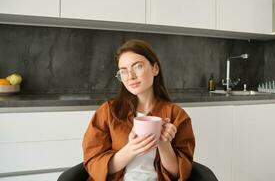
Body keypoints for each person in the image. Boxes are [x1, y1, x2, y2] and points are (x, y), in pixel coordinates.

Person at [82, 39, 195, 181]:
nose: (130, 77)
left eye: (137, 67)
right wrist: (131, 149)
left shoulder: (177, 115)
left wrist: (164, 142)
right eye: (123, 71)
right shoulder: (108, 112)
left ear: (155, 69)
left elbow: (178, 173)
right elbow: (94, 163)